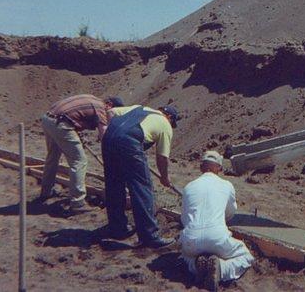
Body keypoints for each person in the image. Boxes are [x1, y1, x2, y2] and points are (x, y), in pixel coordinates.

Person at [100, 104, 181, 248]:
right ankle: (150, 236)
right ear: (169, 117)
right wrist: (164, 177)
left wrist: (115, 134)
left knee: (114, 184)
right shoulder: (165, 125)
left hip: (109, 137)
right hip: (130, 141)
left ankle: (117, 228)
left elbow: (111, 112)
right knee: (141, 188)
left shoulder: (139, 107)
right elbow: (162, 157)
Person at [180, 150, 254, 291]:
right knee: (245, 256)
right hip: (217, 237)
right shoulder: (227, 185)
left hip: (192, 239)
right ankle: (222, 268)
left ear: (201, 167)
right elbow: (230, 213)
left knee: (184, 257)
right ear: (219, 168)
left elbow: (184, 219)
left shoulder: (188, 187)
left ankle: (196, 265)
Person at [39, 94, 124, 212]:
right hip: (61, 124)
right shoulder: (101, 108)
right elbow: (104, 133)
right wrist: (112, 153)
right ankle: (78, 202)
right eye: (112, 112)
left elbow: (75, 116)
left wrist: (77, 135)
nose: (111, 115)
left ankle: (46, 192)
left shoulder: (92, 99)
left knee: (52, 157)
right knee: (79, 161)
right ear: (109, 105)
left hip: (48, 119)